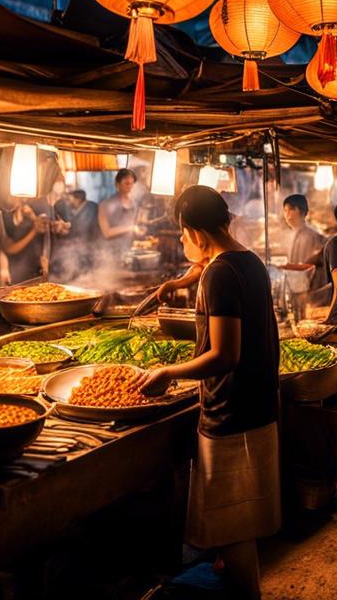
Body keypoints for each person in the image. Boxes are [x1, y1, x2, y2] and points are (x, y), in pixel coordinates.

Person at [138, 186, 280, 598]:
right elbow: (206, 267)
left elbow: (224, 354)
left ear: (196, 232)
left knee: (232, 527)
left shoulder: (220, 275)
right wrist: (178, 281)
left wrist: (169, 373)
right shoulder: (248, 260)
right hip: (258, 405)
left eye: (182, 234)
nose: (182, 241)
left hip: (230, 412)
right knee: (241, 523)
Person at [279, 194, 326, 321]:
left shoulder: (311, 235)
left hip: (308, 291)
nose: (286, 214)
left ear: (300, 211)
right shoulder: (292, 234)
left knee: (305, 321)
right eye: (285, 210)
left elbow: (313, 265)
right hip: (295, 288)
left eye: (290, 210)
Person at [98, 168, 141, 265]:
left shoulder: (134, 204)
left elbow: (135, 227)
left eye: (131, 184)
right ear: (117, 184)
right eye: (126, 183)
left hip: (128, 253)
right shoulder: (106, 204)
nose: (129, 186)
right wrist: (130, 228)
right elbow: (106, 233)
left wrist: (138, 231)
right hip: (109, 254)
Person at [3, 196, 44, 283]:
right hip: (15, 271)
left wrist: (34, 219)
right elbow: (10, 249)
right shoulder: (5, 217)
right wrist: (34, 231)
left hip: (34, 269)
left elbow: (44, 229)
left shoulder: (32, 211)